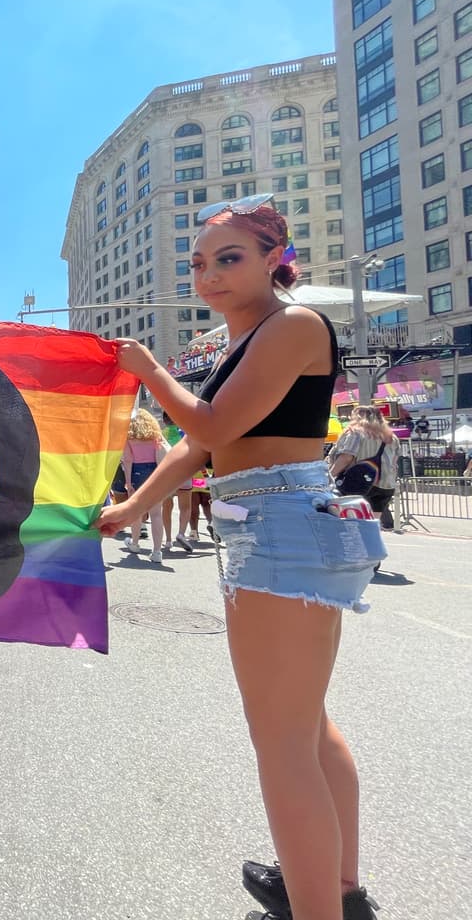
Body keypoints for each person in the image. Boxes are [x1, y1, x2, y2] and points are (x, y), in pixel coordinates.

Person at [96, 196, 382, 920]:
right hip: (277, 517)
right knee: (308, 726)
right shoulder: (247, 339)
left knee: (282, 741)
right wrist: (134, 507)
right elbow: (200, 446)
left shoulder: (293, 325)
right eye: (199, 262)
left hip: (280, 521)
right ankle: (334, 888)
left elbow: (214, 423)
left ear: (273, 261)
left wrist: (149, 373)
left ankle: (319, 907)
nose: (210, 274)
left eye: (230, 258)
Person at [328, 406, 398, 531]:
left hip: (357, 482)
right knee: (372, 525)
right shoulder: (391, 437)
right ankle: (373, 546)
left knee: (352, 525)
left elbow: (346, 457)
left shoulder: (356, 432)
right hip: (385, 484)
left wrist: (329, 476)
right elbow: (394, 462)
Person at [120, 408, 169, 563]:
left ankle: (135, 543)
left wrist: (128, 482)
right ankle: (156, 551)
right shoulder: (155, 435)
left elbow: (127, 460)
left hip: (136, 473)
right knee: (156, 513)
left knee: (136, 512)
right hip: (154, 472)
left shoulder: (129, 436)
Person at [160, 410, 194, 552]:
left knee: (167, 507)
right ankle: (181, 533)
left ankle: (167, 540)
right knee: (185, 507)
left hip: (167, 474)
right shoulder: (186, 434)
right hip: (185, 472)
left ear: (164, 420)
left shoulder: (161, 435)